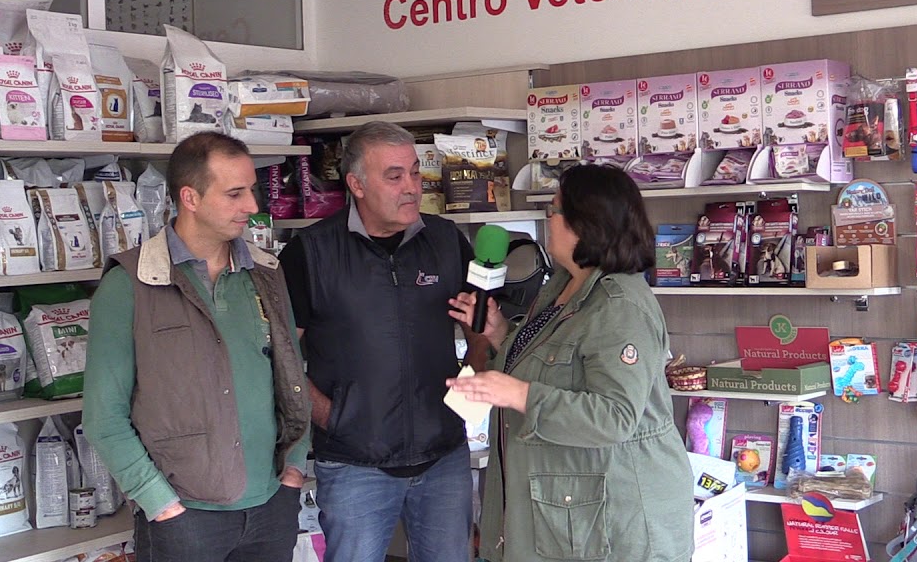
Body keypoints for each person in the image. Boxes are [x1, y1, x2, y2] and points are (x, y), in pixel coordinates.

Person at [447, 163, 695, 562]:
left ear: (588, 222)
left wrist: (520, 394)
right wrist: (496, 335)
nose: (549, 219)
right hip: (563, 514)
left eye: (556, 210)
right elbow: (548, 362)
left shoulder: (619, 305)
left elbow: (614, 416)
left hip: (613, 521)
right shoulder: (564, 285)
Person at [83, 132, 311, 562]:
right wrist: (161, 505)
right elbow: (103, 417)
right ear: (190, 197)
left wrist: (294, 472)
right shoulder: (130, 283)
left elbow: (292, 379)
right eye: (235, 194)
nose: (253, 207)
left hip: (270, 508)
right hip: (185, 519)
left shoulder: (266, 273)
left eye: (253, 190)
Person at [280, 121, 480, 562]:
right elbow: (281, 356)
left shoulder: (447, 242)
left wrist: (484, 362)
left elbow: (480, 338)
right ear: (357, 185)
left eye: (414, 173)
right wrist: (336, 418)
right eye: (394, 176)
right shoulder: (310, 253)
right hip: (355, 464)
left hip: (443, 457)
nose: (411, 188)